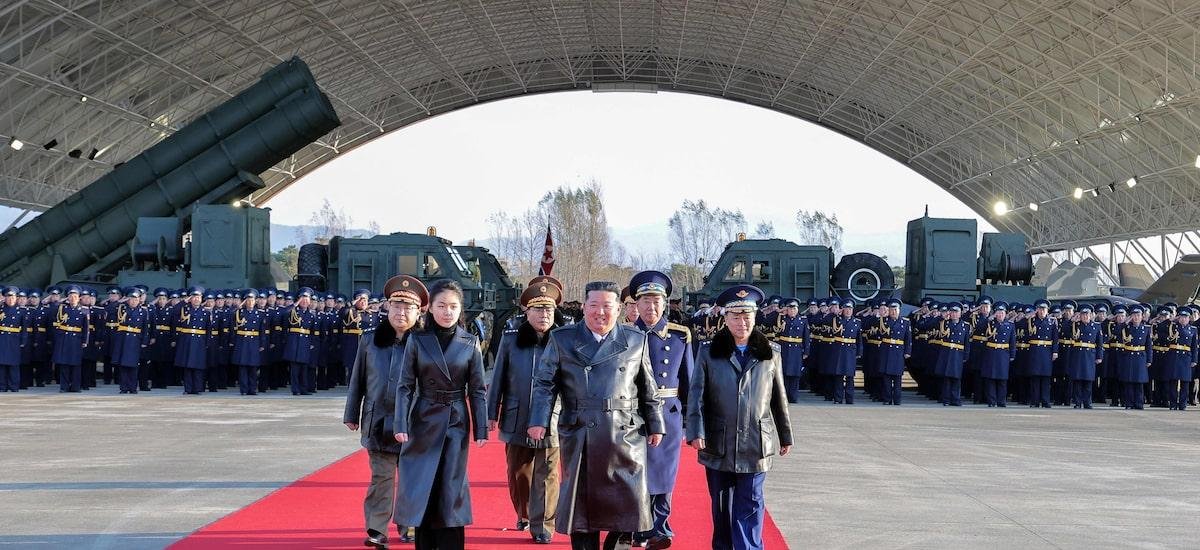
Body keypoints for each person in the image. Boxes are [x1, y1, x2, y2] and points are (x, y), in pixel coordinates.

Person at [528, 281, 665, 550]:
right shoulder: (563, 338)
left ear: (619, 308)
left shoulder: (636, 340)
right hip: (581, 432)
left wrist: (656, 423)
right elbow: (545, 383)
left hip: (625, 433)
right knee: (583, 511)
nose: (600, 312)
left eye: (607, 306)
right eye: (594, 305)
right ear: (583, 307)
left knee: (627, 506)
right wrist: (538, 421)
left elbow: (648, 386)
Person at [687, 284, 792, 550]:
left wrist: (785, 434)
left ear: (755, 318)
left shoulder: (771, 353)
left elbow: (779, 398)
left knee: (752, 502)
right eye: (735, 316)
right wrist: (695, 431)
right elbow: (697, 394)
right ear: (725, 318)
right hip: (718, 440)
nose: (741, 322)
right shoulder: (709, 352)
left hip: (757, 440)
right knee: (722, 506)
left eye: (747, 316)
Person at [393, 279, 488, 550]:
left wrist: (481, 428)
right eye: (442, 305)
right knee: (424, 485)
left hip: (456, 422)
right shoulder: (417, 340)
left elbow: (478, 389)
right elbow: (405, 385)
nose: (448, 312)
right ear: (430, 308)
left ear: (461, 310)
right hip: (422, 420)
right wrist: (400, 423)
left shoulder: (470, 343)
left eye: (454, 306)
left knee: (452, 487)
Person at [345, 275, 426, 549]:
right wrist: (351, 413)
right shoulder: (370, 340)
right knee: (381, 477)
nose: (401, 313)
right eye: (396, 306)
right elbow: (358, 380)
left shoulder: (427, 343)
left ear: (418, 312)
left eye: (408, 308)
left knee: (412, 477)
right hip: (378, 419)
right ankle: (377, 529)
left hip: (415, 422)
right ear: (387, 308)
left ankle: (410, 524)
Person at [487, 281, 564, 544]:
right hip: (517, 414)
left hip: (552, 417)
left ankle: (544, 524)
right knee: (519, 472)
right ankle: (525, 513)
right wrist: (490, 412)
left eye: (549, 311)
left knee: (549, 473)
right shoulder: (511, 340)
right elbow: (497, 378)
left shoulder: (564, 340)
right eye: (538, 311)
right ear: (527, 313)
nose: (544, 316)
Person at [628, 270, 691, 550]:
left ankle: (660, 527)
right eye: (645, 302)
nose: (651, 308)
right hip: (633, 415)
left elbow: (690, 382)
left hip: (668, 414)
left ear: (665, 304)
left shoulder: (680, 336)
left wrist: (692, 421)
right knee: (635, 473)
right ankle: (636, 527)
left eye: (656, 302)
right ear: (636, 305)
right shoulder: (627, 335)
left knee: (664, 475)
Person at [109, 287, 151, 394]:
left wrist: (144, 342)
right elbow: (109, 309)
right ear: (128, 300)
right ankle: (124, 388)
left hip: (135, 341)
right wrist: (120, 301)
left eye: (136, 299)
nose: (134, 301)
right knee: (123, 365)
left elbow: (145, 328)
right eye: (132, 299)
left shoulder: (143, 312)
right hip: (123, 340)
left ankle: (132, 388)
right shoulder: (121, 308)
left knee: (133, 365)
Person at [979, 303, 1016, 407]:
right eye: (998, 313)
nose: (1000, 315)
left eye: (1002, 313)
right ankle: (991, 401)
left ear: (1005, 314)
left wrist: (1012, 354)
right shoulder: (990, 323)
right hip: (991, 352)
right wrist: (988, 319)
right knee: (990, 378)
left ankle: (1001, 401)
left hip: (1003, 353)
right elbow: (979, 328)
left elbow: (1012, 341)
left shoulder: (1010, 325)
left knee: (1002, 379)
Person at [876, 299, 912, 405]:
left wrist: (907, 352)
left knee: (897, 378)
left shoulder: (905, 322)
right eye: (891, 310)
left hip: (898, 352)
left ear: (899, 310)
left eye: (895, 310)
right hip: (886, 351)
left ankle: (897, 399)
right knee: (886, 377)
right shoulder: (884, 321)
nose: (894, 312)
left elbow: (908, 339)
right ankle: (887, 399)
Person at [283, 288, 317, 396]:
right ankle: (295, 389)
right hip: (294, 342)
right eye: (303, 299)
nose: (305, 302)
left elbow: (312, 330)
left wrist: (311, 343)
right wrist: (295, 304)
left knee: (304, 368)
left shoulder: (311, 314)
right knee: (295, 369)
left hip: (305, 342)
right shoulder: (293, 311)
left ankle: (304, 389)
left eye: (307, 300)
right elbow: (284, 312)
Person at [1118, 305, 1153, 410]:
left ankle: (1139, 403)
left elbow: (1149, 346)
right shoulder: (1127, 328)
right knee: (1129, 382)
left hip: (1140, 357)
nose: (1136, 317)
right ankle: (1129, 403)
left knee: (1139, 382)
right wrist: (1125, 322)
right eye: (1134, 315)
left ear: (1142, 317)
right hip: (1129, 356)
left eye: (1138, 315)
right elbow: (1116, 331)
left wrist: (1149, 359)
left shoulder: (1146, 329)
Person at [0, 286, 27, 392]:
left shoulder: (21, 311)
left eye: (13, 297)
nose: (11, 299)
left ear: (16, 298)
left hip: (14, 339)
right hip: (2, 338)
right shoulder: (1, 310)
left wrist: (23, 341)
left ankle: (14, 386)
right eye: (8, 297)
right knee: (1, 364)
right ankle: (2, 386)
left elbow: (24, 329)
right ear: (5, 298)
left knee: (14, 364)